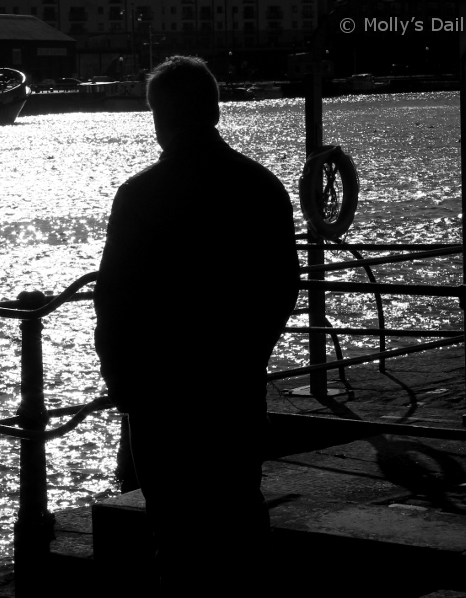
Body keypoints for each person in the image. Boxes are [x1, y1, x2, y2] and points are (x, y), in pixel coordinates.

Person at [93, 56, 299, 595]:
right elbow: (282, 287)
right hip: (233, 385)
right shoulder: (261, 186)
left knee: (174, 531)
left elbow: (113, 299)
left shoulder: (139, 195)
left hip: (160, 394)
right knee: (239, 516)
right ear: (214, 111)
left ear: (159, 117)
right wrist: (249, 355)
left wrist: (121, 381)